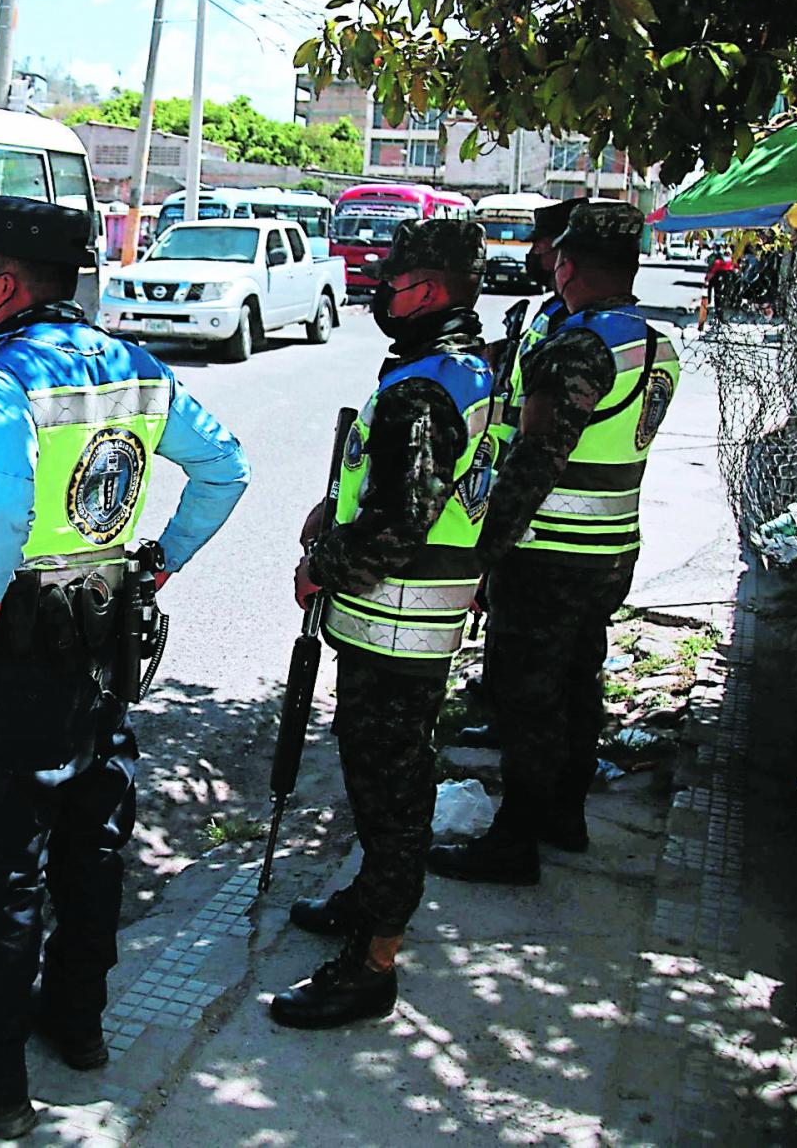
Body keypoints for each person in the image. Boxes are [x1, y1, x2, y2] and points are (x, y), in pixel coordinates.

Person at [0, 198, 250, 1138]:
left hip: (13, 652)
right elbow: (225, 467)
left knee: (2, 872)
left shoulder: (2, 372)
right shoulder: (137, 366)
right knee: (92, 845)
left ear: (7, 283)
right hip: (102, 645)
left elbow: (2, 499)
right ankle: (78, 1024)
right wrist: (160, 560)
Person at [271, 218, 493, 1029]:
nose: (378, 293)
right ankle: (369, 897)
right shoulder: (467, 368)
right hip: (410, 627)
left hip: (397, 629)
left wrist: (320, 564)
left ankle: (372, 965)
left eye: (391, 282)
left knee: (391, 799)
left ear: (426, 290)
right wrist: (336, 507)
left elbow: (398, 527)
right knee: (384, 788)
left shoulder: (423, 390)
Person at [428, 201, 680, 885]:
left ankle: (515, 843)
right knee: (578, 682)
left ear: (566, 266)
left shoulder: (577, 348)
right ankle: (564, 816)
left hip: (549, 552)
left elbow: (535, 460)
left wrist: (481, 555)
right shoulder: (653, 343)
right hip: (611, 548)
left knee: (528, 697)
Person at [457, 195, 576, 748]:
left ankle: (525, 750)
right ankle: (502, 710)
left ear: (563, 254)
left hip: (547, 520)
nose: (532, 254)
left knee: (541, 652)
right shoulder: (549, 312)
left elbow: (542, 439)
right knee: (507, 622)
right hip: (516, 493)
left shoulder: (575, 331)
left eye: (541, 244)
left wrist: (492, 539)